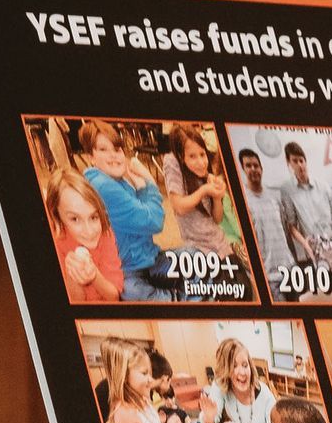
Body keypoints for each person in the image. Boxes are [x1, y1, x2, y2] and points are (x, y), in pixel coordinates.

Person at [80, 122, 170, 299]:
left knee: (195, 259)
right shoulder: (103, 185)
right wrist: (149, 183)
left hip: (146, 258)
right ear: (91, 157)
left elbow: (142, 214)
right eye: (103, 149)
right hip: (129, 271)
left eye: (117, 149)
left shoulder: (115, 180)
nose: (113, 155)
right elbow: (154, 222)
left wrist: (141, 188)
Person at [277, 140, 332, 281]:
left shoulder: (323, 186)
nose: (300, 165)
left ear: (306, 161)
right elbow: (291, 226)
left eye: (301, 161)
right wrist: (306, 246)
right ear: (288, 163)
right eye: (295, 161)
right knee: (326, 294)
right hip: (316, 254)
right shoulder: (287, 190)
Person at [162, 122, 238, 269]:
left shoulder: (205, 176)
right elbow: (179, 207)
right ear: (181, 157)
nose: (201, 163)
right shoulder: (172, 162)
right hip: (197, 248)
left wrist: (217, 197)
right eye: (192, 156)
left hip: (219, 242)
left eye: (203, 154)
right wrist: (204, 190)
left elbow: (217, 219)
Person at [45, 167, 124, 301]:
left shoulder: (105, 234)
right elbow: (74, 303)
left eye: (93, 217)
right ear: (57, 216)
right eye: (75, 219)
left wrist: (94, 276)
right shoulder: (56, 241)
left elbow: (114, 296)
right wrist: (73, 276)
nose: (89, 231)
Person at [236, 145, 297, 287]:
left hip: (289, 268)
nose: (253, 169)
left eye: (256, 165)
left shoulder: (274, 196)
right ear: (243, 169)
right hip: (269, 276)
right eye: (248, 166)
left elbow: (285, 231)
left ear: (261, 169)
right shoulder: (242, 201)